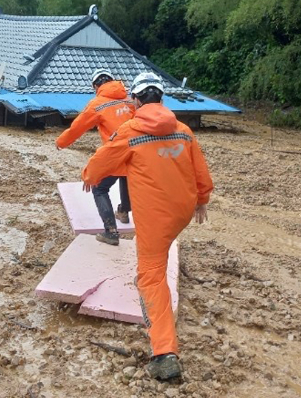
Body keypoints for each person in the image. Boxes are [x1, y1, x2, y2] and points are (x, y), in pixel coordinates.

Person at [81, 71, 213, 380]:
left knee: (150, 278)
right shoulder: (182, 130)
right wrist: (202, 201)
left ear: (136, 101)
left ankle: (164, 354)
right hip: (182, 212)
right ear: (162, 99)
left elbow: (100, 162)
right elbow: (201, 172)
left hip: (156, 217)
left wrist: (89, 176)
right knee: (160, 253)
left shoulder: (130, 130)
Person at [56, 68, 135, 245]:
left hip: (114, 152)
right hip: (136, 152)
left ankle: (111, 232)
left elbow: (78, 127)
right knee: (126, 175)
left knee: (100, 188)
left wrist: (61, 142)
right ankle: (123, 212)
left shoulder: (97, 104)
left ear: (95, 85)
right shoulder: (131, 100)